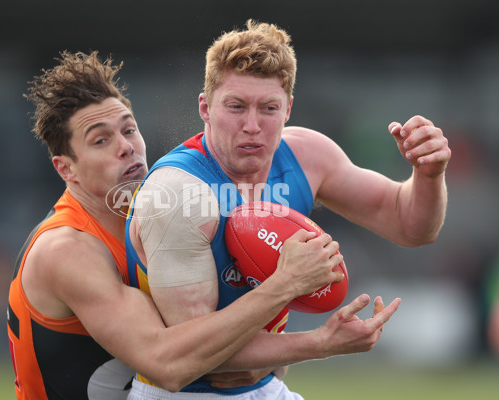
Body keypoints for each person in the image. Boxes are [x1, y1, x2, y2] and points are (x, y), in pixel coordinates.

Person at [6, 50, 396, 400]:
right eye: (100, 141)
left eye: (128, 130)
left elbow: (222, 339)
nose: (126, 146)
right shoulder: (68, 249)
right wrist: (310, 326)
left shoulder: (164, 207)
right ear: (65, 169)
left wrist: (264, 362)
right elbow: (169, 364)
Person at [126, 19, 450, 398]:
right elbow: (192, 358)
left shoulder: (307, 156)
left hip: (267, 387)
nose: (252, 125)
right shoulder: (179, 194)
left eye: (268, 108)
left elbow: (410, 225)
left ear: (288, 109)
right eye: (235, 106)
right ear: (205, 107)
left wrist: (428, 175)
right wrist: (317, 337)